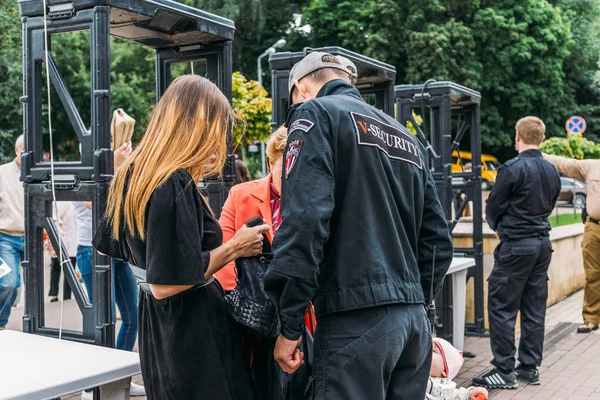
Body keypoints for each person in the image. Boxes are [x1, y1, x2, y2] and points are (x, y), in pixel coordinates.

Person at [263, 52, 453, 399]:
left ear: (302, 88)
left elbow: (304, 224)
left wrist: (289, 325)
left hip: (354, 320)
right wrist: (416, 304)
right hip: (412, 325)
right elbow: (438, 239)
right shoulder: (404, 136)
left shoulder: (314, 114)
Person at [93, 75, 268, 399]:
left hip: (159, 328)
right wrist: (234, 247)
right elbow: (168, 282)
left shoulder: (132, 174)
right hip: (193, 332)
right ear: (198, 123)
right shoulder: (172, 181)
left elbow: (110, 247)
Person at [474, 117, 560, 389]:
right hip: (542, 246)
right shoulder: (551, 170)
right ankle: (529, 368)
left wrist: (498, 226)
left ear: (517, 137)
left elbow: (493, 205)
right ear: (542, 139)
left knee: (502, 305)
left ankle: (503, 370)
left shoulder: (512, 169)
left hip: (516, 246)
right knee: (534, 307)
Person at [74, 132, 143, 398]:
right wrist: (116, 167)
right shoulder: (84, 173)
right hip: (91, 252)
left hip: (117, 251)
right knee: (100, 323)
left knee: (132, 318)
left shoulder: (117, 172)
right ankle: (93, 385)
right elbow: (97, 204)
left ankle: (118, 378)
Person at [543, 152, 600, 333]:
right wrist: (537, 151)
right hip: (594, 227)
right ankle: (591, 318)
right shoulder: (592, 166)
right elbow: (566, 164)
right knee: (593, 274)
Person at [0, 135, 25, 328]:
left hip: (31, 237)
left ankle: (33, 327)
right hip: (6, 238)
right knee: (10, 284)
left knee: (34, 289)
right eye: (24, 149)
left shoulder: (38, 173)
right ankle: (1, 322)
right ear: (17, 150)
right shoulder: (2, 173)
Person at [47, 202, 78, 303]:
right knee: (57, 267)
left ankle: (63, 295)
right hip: (61, 238)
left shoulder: (72, 203)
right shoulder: (63, 202)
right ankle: (56, 294)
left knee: (65, 269)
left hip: (71, 240)